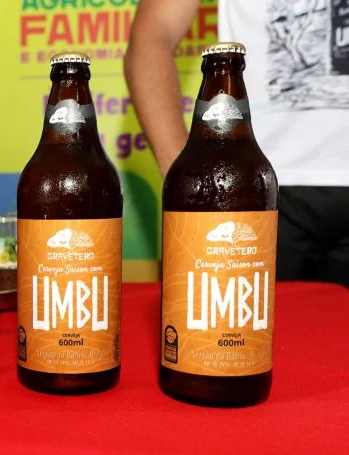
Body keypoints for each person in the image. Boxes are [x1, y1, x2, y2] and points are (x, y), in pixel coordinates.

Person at [124, 0, 349, 287]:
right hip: (253, 191)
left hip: (255, 188)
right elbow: (154, 31)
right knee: (217, 316)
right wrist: (189, 179)